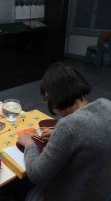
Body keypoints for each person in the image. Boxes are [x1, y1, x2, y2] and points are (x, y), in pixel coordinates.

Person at [17, 62, 111, 200]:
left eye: (47, 98)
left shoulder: (68, 126)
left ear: (55, 96)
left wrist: (29, 144)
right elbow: (90, 134)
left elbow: (36, 174)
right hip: (101, 191)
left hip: (74, 195)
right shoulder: (106, 104)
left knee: (20, 187)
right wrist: (58, 134)